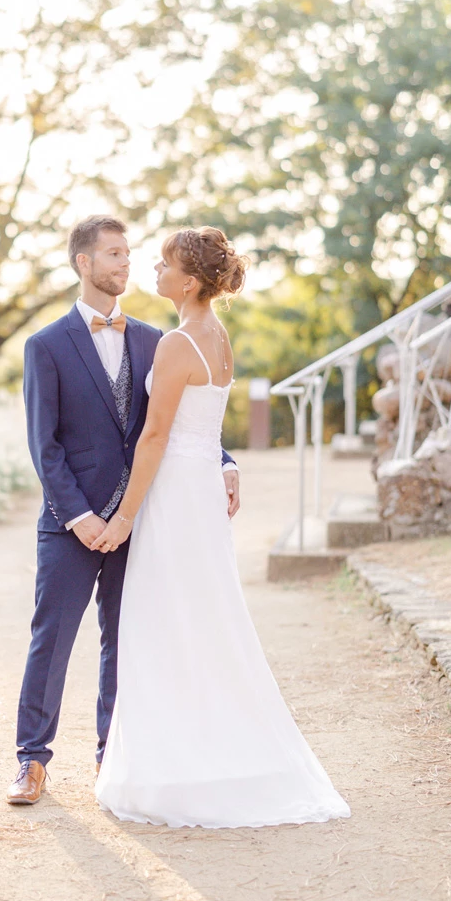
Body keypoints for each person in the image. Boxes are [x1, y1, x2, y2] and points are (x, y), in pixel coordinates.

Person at [92, 226, 350, 830]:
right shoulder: (219, 336)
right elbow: (203, 428)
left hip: (177, 493)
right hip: (202, 485)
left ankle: (178, 762)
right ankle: (213, 750)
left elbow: (156, 436)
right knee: (204, 614)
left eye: (162, 264)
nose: (152, 271)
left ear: (187, 281)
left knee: (164, 617)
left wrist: (126, 514)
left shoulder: (178, 344)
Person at [8, 216, 240, 805]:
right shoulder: (45, 347)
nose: (126, 263)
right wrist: (79, 516)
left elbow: (180, 419)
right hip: (72, 524)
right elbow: (45, 445)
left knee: (124, 639)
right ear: (83, 263)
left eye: (129, 253)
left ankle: (111, 758)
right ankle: (31, 761)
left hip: (141, 519)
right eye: (113, 254)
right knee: (51, 639)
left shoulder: (155, 339)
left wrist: (226, 460)